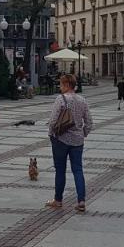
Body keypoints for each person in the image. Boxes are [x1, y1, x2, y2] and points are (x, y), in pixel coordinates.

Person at [45, 73, 92, 213]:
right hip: (77, 141)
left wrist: (51, 133)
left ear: (66, 85)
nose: (60, 87)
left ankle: (58, 200)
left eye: (61, 84)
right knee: (78, 170)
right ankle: (81, 200)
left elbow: (53, 121)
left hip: (60, 139)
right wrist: (83, 133)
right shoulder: (82, 100)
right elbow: (89, 122)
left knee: (60, 170)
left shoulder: (61, 99)